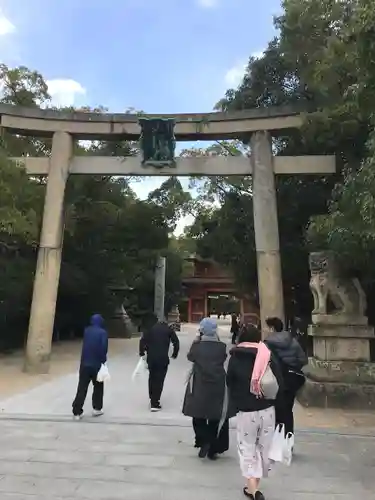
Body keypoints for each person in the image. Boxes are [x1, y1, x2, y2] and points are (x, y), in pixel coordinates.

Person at [226, 324, 284, 500]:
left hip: (246, 411)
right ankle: (252, 488)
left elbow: (230, 382)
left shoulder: (235, 357)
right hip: (267, 409)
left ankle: (254, 491)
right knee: (262, 448)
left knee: (247, 448)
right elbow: (279, 381)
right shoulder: (268, 355)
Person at [183, 317, 233, 460]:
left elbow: (190, 357)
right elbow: (222, 358)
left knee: (197, 414)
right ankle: (213, 447)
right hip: (218, 383)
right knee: (215, 416)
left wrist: (197, 339)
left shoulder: (197, 346)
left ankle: (203, 440)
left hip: (199, 383)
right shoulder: (221, 347)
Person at [264, 316, 307, 437]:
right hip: (292, 379)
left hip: (276, 380)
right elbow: (303, 360)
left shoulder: (267, 344)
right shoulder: (292, 340)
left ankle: (277, 439)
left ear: (272, 328)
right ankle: (288, 438)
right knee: (288, 410)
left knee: (277, 409)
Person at [139, 314, 180, 412]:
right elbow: (176, 342)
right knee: (159, 380)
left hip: (151, 358)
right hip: (163, 359)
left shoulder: (150, 329)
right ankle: (155, 402)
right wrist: (174, 353)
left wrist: (142, 352)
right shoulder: (168, 330)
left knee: (152, 377)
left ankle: (152, 397)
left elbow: (142, 341)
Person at [72, 313, 108, 420]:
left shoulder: (86, 331)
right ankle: (97, 408)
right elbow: (103, 348)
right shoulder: (103, 333)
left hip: (84, 363)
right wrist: (103, 360)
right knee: (98, 386)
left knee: (82, 387)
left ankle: (77, 411)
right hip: (96, 364)